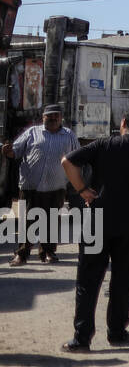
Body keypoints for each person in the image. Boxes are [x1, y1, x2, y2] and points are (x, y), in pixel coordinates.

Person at [59, 107, 129, 351]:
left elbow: (67, 162)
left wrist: (82, 189)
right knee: (124, 280)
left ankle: (81, 338)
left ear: (123, 122)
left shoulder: (103, 144)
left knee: (88, 281)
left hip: (97, 222)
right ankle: (117, 332)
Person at [3, 105, 79, 265]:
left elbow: (77, 157)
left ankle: (48, 253)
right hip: (31, 186)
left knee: (51, 221)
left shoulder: (69, 135)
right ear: (43, 117)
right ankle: (22, 254)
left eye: (56, 116)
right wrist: (7, 151)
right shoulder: (32, 133)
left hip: (56, 186)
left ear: (61, 118)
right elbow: (14, 152)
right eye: (49, 116)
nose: (53, 119)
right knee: (27, 221)